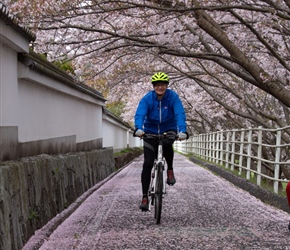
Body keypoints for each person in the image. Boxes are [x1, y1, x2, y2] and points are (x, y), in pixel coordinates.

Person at [134, 72, 188, 211]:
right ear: (153, 86)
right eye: (157, 85)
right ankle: (145, 196)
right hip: (150, 131)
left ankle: (170, 169)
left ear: (167, 85)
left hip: (168, 128)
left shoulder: (173, 97)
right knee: (147, 164)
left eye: (163, 84)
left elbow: (179, 113)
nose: (160, 87)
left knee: (168, 143)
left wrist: (182, 130)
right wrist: (138, 128)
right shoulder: (147, 99)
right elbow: (140, 113)